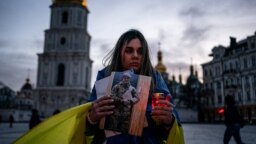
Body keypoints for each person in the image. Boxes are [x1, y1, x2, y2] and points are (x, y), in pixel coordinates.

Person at [86, 29, 183, 144]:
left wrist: (168, 121)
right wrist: (92, 118)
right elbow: (89, 125)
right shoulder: (105, 76)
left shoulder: (155, 77)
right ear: (120, 52)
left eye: (140, 51)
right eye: (129, 51)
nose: (135, 56)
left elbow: (170, 127)